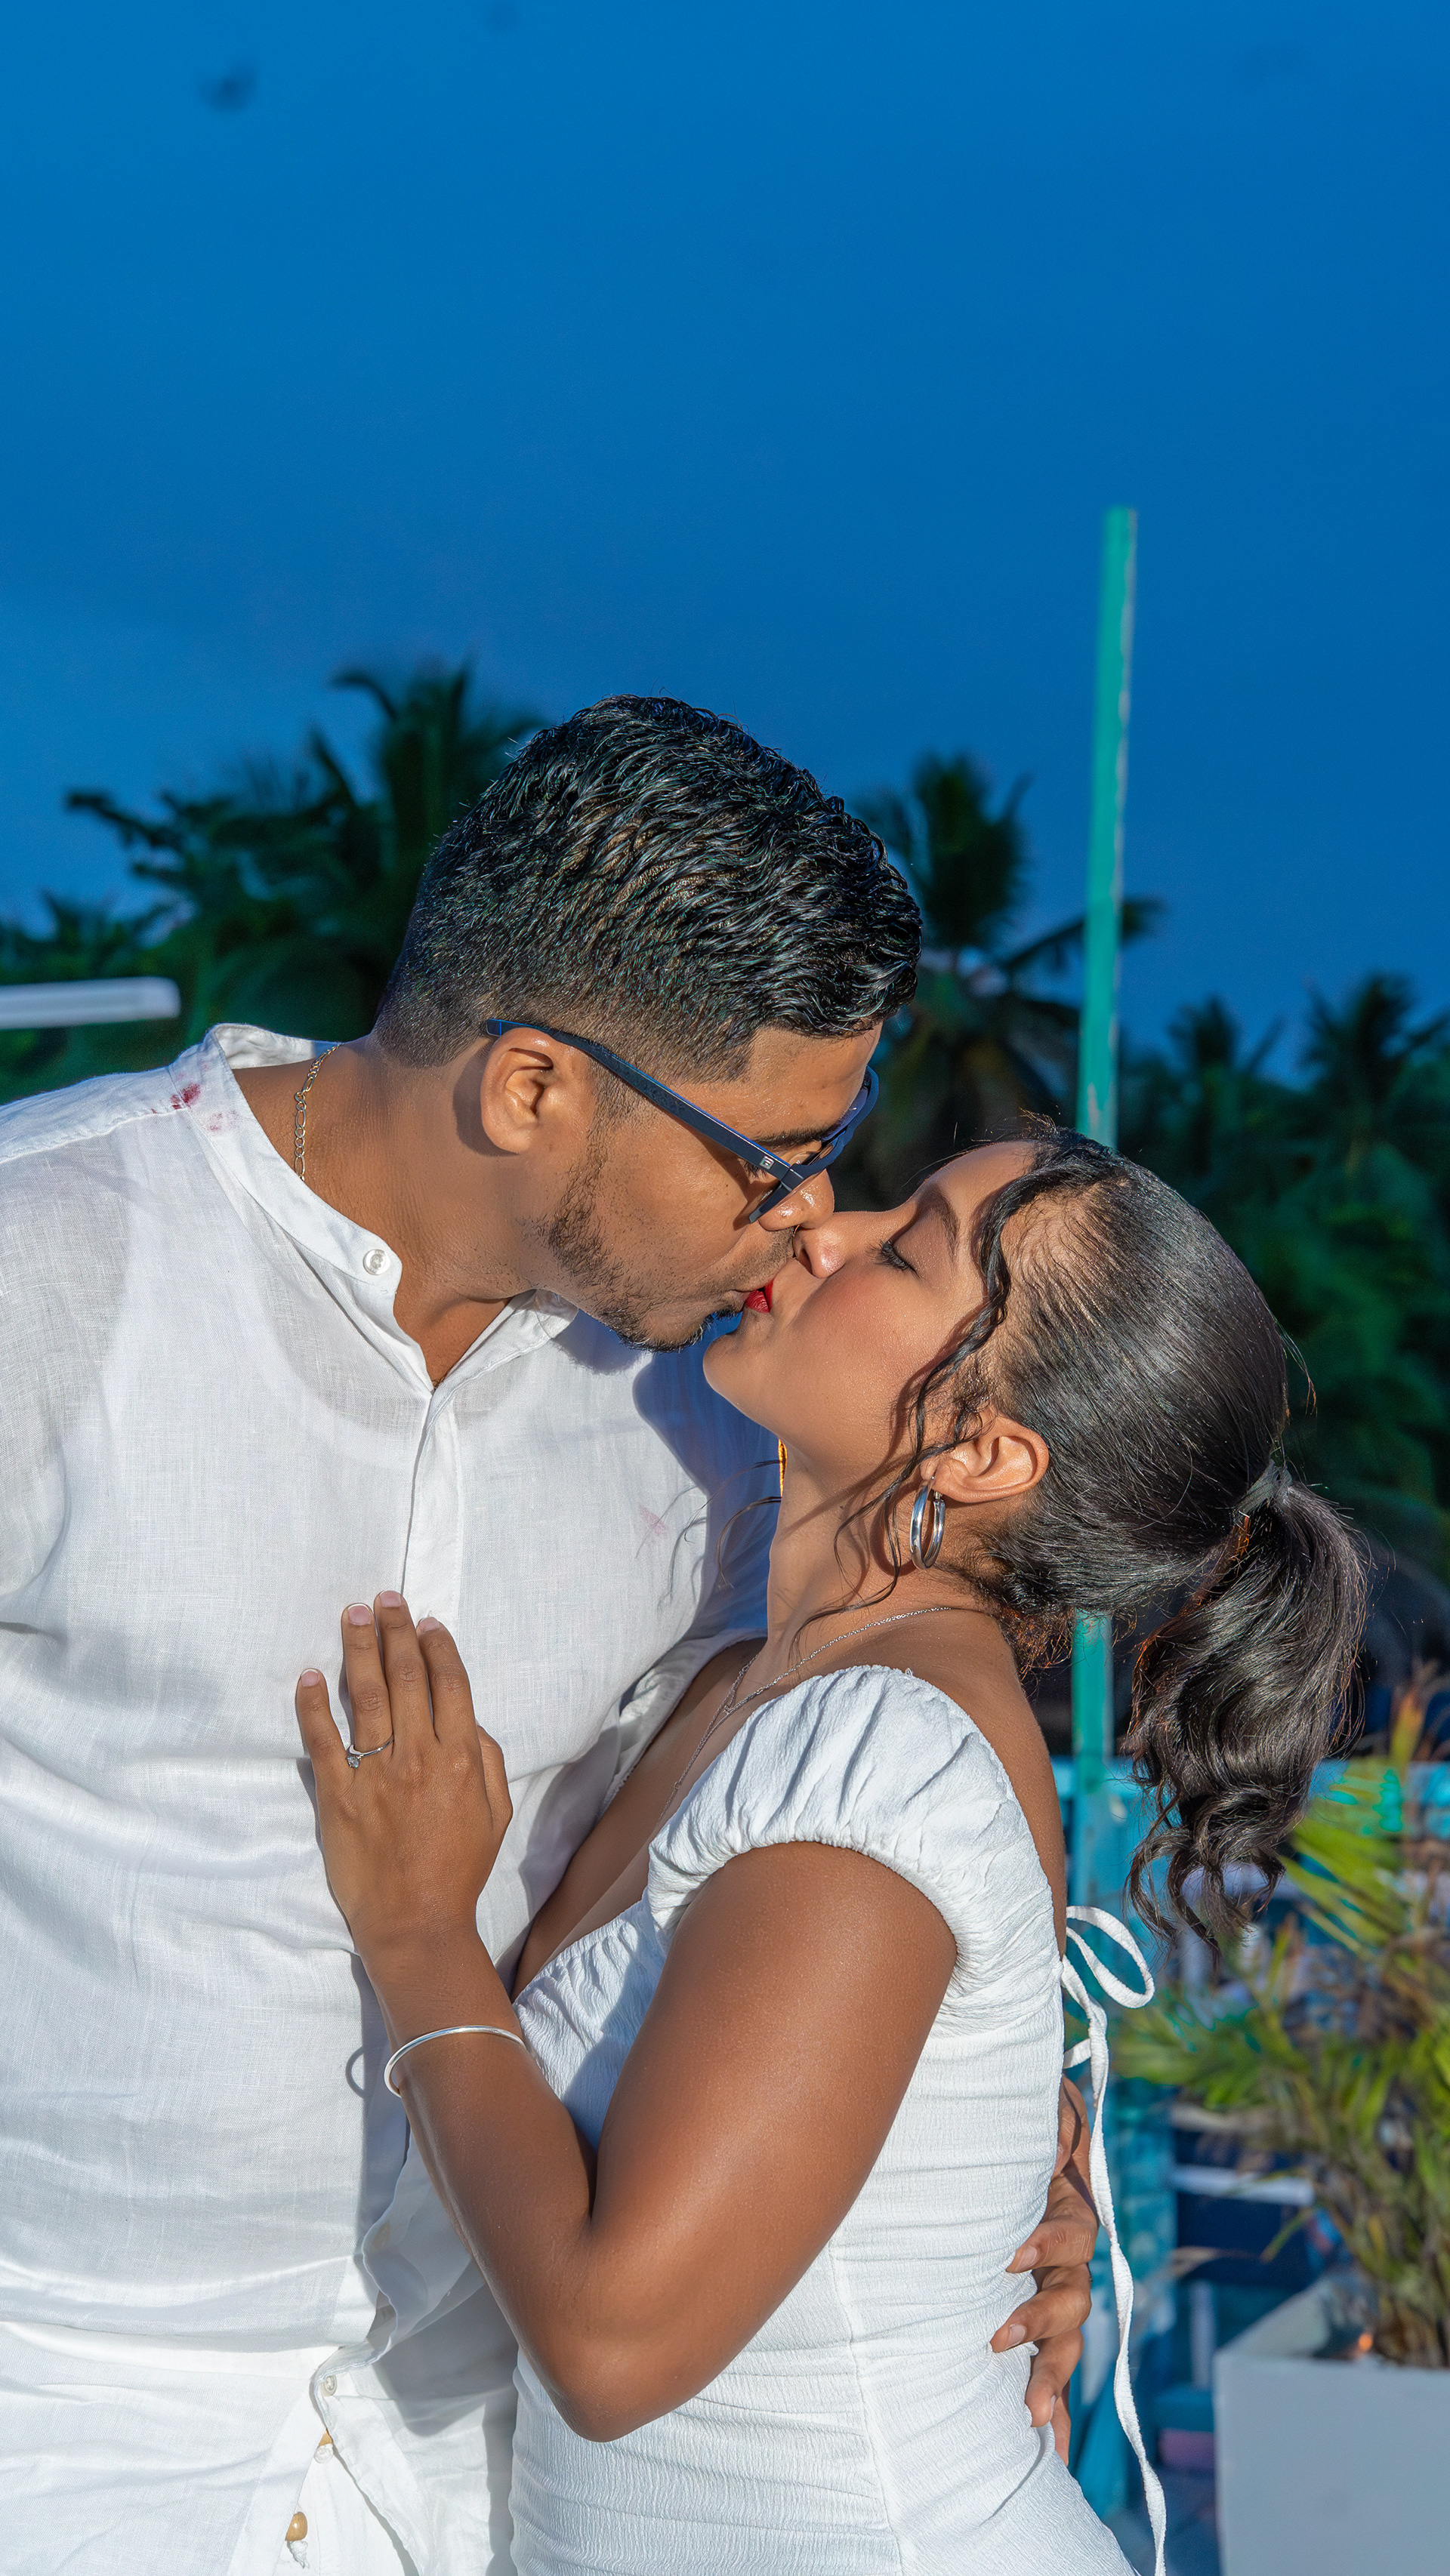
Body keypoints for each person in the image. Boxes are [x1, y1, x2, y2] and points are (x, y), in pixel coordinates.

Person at [0, 700, 1097, 2576]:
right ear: (529, 1088)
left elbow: (774, 1842)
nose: (810, 1216)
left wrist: (997, 2138)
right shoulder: (51, 1267)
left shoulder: (715, 1413)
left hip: (475, 2456)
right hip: (77, 2433)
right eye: (772, 1152)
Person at [298, 1128, 1366, 2576]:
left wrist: (420, 1937)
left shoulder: (879, 1759)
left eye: (906, 1250)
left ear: (985, 1453)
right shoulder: (749, 1682)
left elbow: (615, 2346)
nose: (820, 1225)